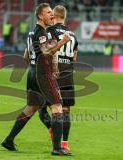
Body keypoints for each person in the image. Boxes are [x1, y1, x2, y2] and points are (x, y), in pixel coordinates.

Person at [1, 3, 71, 156]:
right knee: (57, 106)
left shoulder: (32, 33)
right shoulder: (41, 33)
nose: (51, 14)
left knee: (31, 108)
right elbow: (46, 53)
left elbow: (26, 54)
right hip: (42, 75)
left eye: (52, 12)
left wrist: (35, 68)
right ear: (40, 16)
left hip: (32, 72)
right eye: (48, 12)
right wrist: (62, 42)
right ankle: (57, 148)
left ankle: (8, 140)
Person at [38, 5, 78, 153]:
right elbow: (75, 56)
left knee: (41, 108)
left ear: (54, 16)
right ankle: (65, 143)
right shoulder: (73, 34)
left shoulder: (50, 31)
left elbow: (47, 51)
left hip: (53, 74)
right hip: (68, 74)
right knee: (66, 111)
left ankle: (52, 130)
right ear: (65, 16)